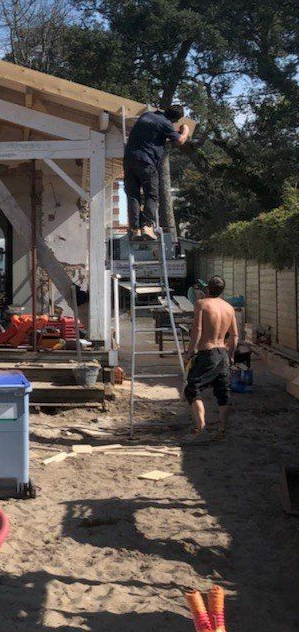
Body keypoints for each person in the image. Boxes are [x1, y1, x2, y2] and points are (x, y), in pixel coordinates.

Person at [123, 103, 190, 241]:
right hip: (146, 162)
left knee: (133, 195)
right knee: (151, 195)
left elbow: (155, 132)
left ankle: (135, 229)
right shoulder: (166, 124)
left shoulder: (147, 115)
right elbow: (181, 140)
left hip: (129, 160)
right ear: (175, 120)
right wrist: (185, 129)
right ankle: (147, 227)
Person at [183, 275, 238, 440]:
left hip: (207, 353)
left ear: (208, 288)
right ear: (222, 290)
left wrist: (190, 352)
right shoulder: (229, 308)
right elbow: (235, 336)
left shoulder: (202, 304)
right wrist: (231, 355)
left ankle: (200, 428)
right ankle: (222, 429)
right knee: (223, 393)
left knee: (192, 389)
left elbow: (197, 331)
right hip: (223, 354)